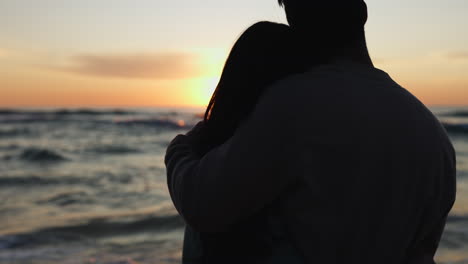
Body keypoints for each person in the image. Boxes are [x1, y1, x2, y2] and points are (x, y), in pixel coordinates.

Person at [165, 0, 457, 263]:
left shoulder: (293, 105)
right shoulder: (433, 134)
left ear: (293, 16)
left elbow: (202, 202)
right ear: (363, 11)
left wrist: (181, 150)